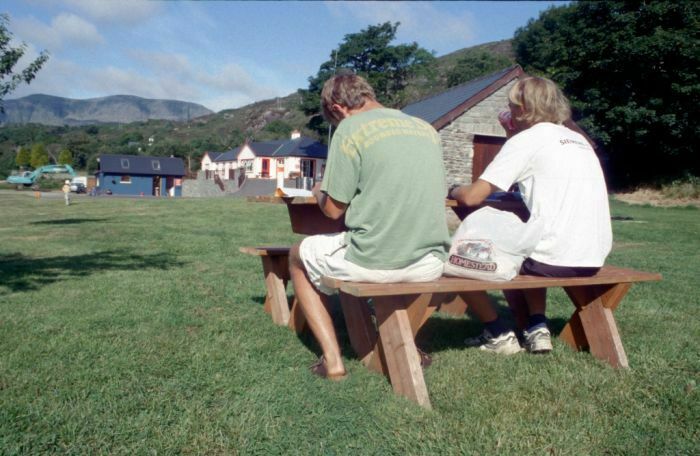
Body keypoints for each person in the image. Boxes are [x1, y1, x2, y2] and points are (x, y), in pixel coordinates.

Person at [289, 73, 451, 379]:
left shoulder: (350, 129)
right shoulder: (426, 129)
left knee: (298, 254)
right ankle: (406, 346)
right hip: (430, 262)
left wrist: (319, 191)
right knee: (364, 244)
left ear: (337, 109)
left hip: (374, 261)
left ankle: (333, 361)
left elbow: (335, 210)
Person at [449, 76, 612, 355]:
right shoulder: (579, 140)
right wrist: (512, 133)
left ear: (523, 108)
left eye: (512, 105)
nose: (510, 110)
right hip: (593, 257)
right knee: (529, 243)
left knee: (459, 259)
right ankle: (537, 325)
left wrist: (454, 188)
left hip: (552, 259)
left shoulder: (527, 140)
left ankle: (498, 333)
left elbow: (473, 196)